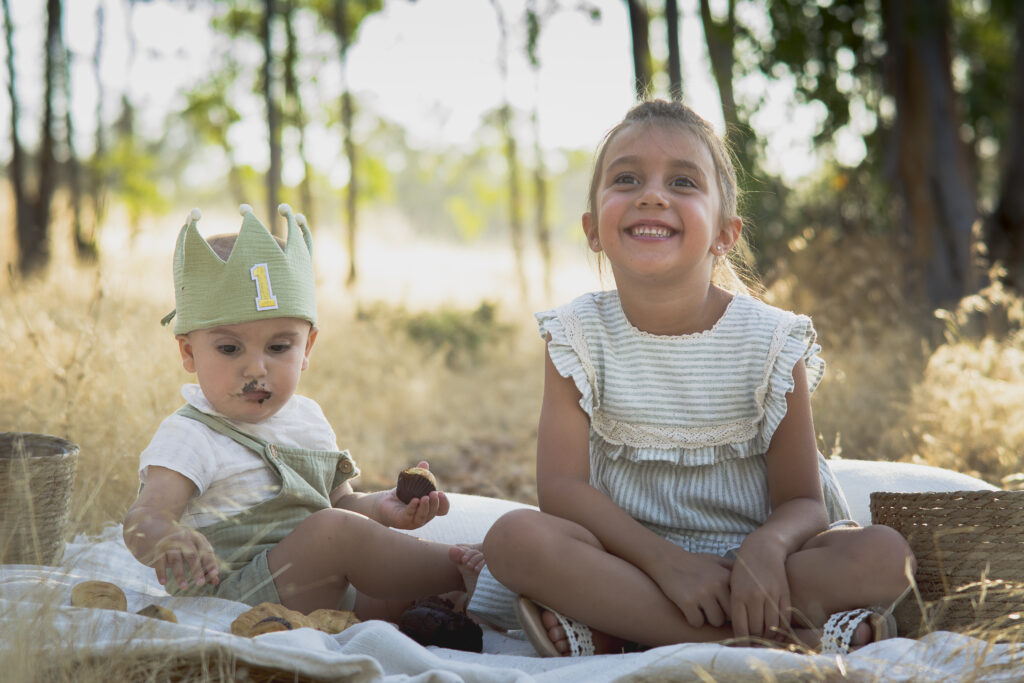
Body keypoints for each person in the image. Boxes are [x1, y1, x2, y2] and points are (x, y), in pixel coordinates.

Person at [477, 100, 915, 656]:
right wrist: (669, 564)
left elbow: (803, 501)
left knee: (884, 556)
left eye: (682, 181)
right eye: (627, 178)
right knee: (515, 540)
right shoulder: (576, 334)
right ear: (593, 229)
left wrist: (766, 550)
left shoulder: (772, 341)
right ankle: (780, 641)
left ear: (725, 233)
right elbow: (563, 491)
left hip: (760, 567)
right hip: (631, 559)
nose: (652, 194)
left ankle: (621, 632)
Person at [123, 204, 483, 622]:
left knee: (379, 569)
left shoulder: (306, 419)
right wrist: (167, 536)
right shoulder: (192, 433)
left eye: (278, 348)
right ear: (189, 352)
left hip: (326, 593)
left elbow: (339, 502)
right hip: (236, 599)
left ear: (306, 348)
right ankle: (478, 570)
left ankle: (452, 606)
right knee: (333, 533)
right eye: (228, 348)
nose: (256, 368)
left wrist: (381, 509)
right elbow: (143, 517)